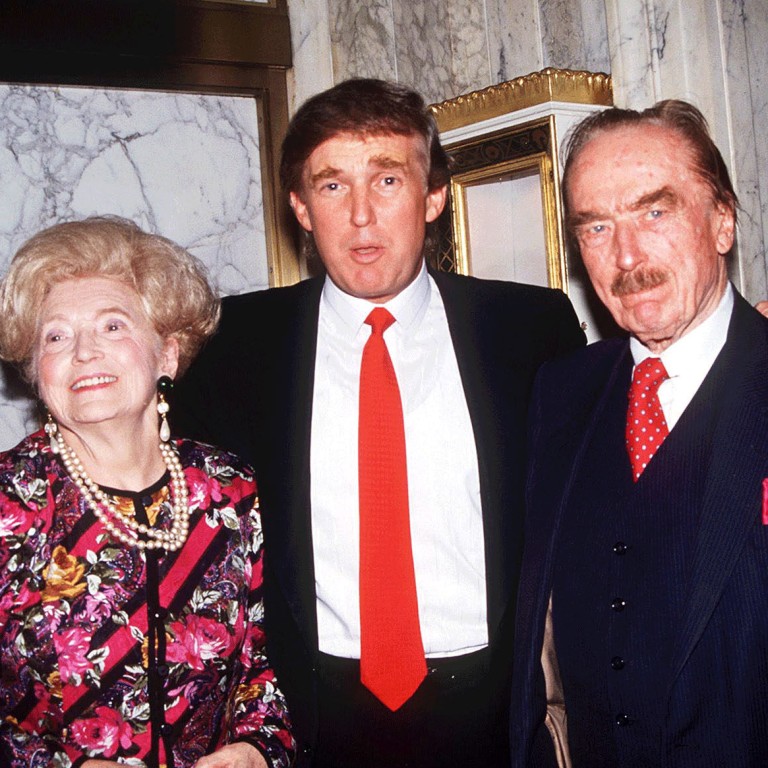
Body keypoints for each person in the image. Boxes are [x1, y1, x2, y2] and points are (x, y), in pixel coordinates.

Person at [173, 78, 585, 768]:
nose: (361, 215)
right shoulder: (233, 345)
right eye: (332, 187)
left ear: (433, 198)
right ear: (301, 208)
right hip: (313, 719)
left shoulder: (530, 329)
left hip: (493, 713)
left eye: (388, 179)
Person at [509, 100, 768, 767]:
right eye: (597, 227)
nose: (627, 254)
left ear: (722, 223)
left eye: (655, 212)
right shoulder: (559, 393)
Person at [0, 217, 295, 768]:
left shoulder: (229, 490)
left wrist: (257, 749)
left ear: (167, 355)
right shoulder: (10, 502)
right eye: (56, 336)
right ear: (37, 374)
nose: (84, 352)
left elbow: (265, 662)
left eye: (112, 326)